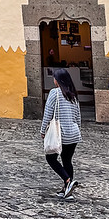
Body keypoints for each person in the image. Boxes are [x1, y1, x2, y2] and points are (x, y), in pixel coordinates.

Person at [40, 68, 82, 199]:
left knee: (50, 158)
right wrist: (78, 130)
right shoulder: (72, 95)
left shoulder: (55, 93)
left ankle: (68, 181)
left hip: (61, 133)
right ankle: (67, 191)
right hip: (73, 134)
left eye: (54, 78)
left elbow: (48, 114)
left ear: (58, 80)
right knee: (67, 160)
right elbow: (78, 116)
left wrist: (43, 131)